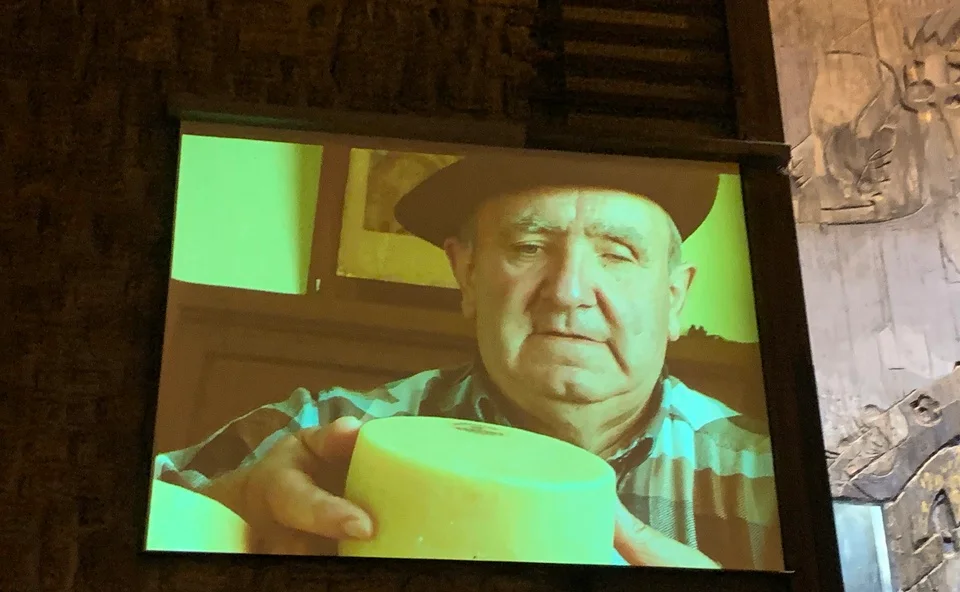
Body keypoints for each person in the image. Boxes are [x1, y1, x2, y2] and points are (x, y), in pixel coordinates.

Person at [152, 152, 782, 570]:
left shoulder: (773, 484)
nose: (568, 290)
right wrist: (226, 518)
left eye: (617, 254)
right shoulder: (319, 437)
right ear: (469, 275)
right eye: (529, 245)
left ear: (674, 298)